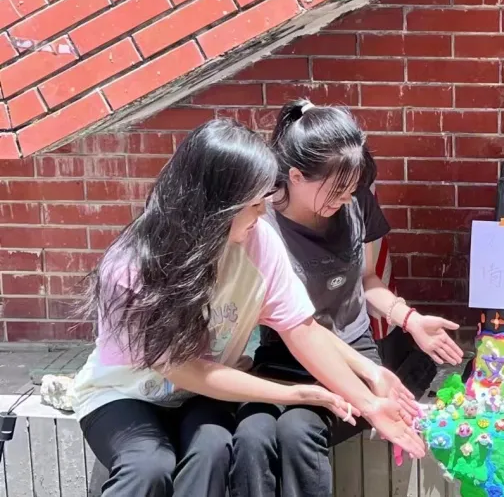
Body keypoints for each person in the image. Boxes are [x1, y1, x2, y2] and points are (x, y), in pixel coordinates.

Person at [71, 119, 425, 497]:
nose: (263, 213)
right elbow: (183, 368)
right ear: (214, 206)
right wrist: (293, 394)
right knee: (148, 466)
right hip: (124, 394)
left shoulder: (260, 242)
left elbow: (301, 328)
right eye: (254, 204)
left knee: (212, 450)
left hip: (200, 396)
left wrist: (369, 397)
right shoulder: (131, 265)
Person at [230, 100, 464, 497]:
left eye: (352, 189)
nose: (346, 199)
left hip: (355, 357)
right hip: (283, 354)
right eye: (337, 190)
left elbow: (367, 280)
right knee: (252, 434)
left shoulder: (356, 203)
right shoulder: (259, 221)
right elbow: (285, 321)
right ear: (295, 176)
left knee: (298, 431)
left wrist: (410, 320)